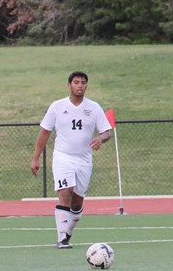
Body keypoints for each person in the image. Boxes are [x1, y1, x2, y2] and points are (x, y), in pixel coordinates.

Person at [30, 71, 112, 249]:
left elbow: (106, 132)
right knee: (65, 191)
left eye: (83, 82)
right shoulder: (57, 106)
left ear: (86, 86)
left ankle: (67, 233)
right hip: (63, 157)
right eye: (76, 82)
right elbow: (44, 132)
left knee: (77, 203)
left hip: (84, 161)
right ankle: (62, 239)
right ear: (69, 85)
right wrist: (35, 158)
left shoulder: (94, 108)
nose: (80, 85)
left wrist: (100, 139)